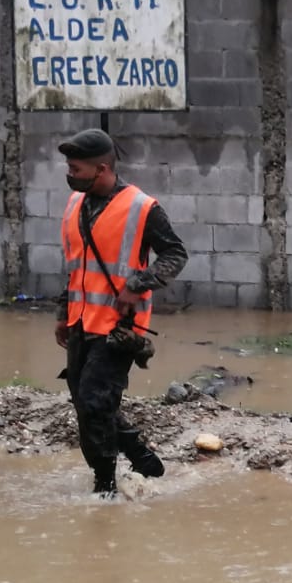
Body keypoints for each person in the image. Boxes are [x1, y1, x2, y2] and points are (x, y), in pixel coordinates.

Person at [56, 128, 188, 496]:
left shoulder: (142, 208)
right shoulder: (74, 204)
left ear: (101, 169)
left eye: (76, 168)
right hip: (81, 320)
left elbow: (176, 254)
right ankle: (141, 456)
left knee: (96, 404)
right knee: (85, 402)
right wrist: (61, 313)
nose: (70, 174)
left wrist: (138, 283)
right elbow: (74, 265)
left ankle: (104, 490)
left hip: (119, 327)